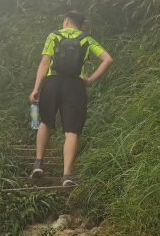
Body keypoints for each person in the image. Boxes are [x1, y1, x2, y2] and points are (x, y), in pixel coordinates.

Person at [29, 11, 113, 186]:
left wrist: (36, 88)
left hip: (53, 82)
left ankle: (38, 164)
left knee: (45, 122)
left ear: (66, 21)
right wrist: (90, 80)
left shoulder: (54, 35)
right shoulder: (86, 39)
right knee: (72, 131)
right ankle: (67, 176)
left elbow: (44, 63)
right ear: (80, 26)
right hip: (75, 85)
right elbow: (107, 59)